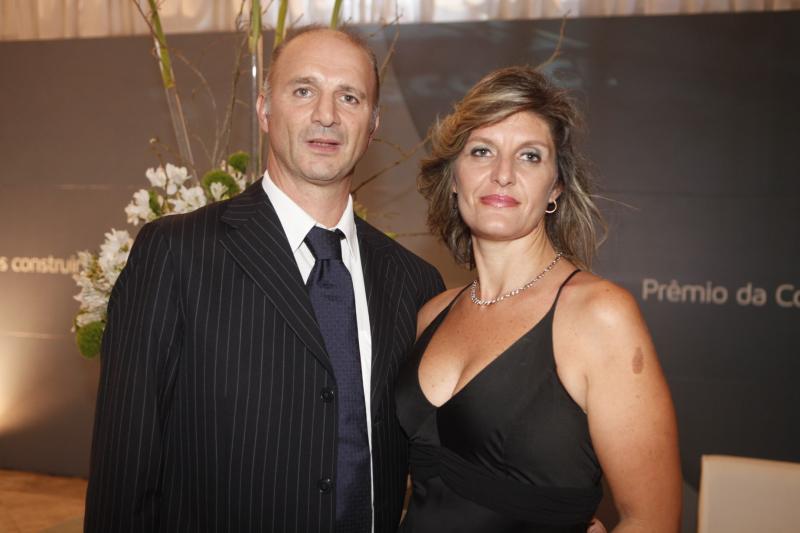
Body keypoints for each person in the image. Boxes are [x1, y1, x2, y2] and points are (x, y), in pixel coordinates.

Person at [85, 26, 444, 532]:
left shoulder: (414, 282)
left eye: (349, 96)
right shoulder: (176, 254)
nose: (327, 114)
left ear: (373, 124)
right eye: (304, 90)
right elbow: (124, 467)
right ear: (264, 109)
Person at [395, 66, 682, 532]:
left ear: (555, 187)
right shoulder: (432, 313)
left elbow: (653, 521)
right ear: (454, 177)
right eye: (482, 151)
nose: (503, 174)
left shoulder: (598, 316)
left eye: (529, 156)